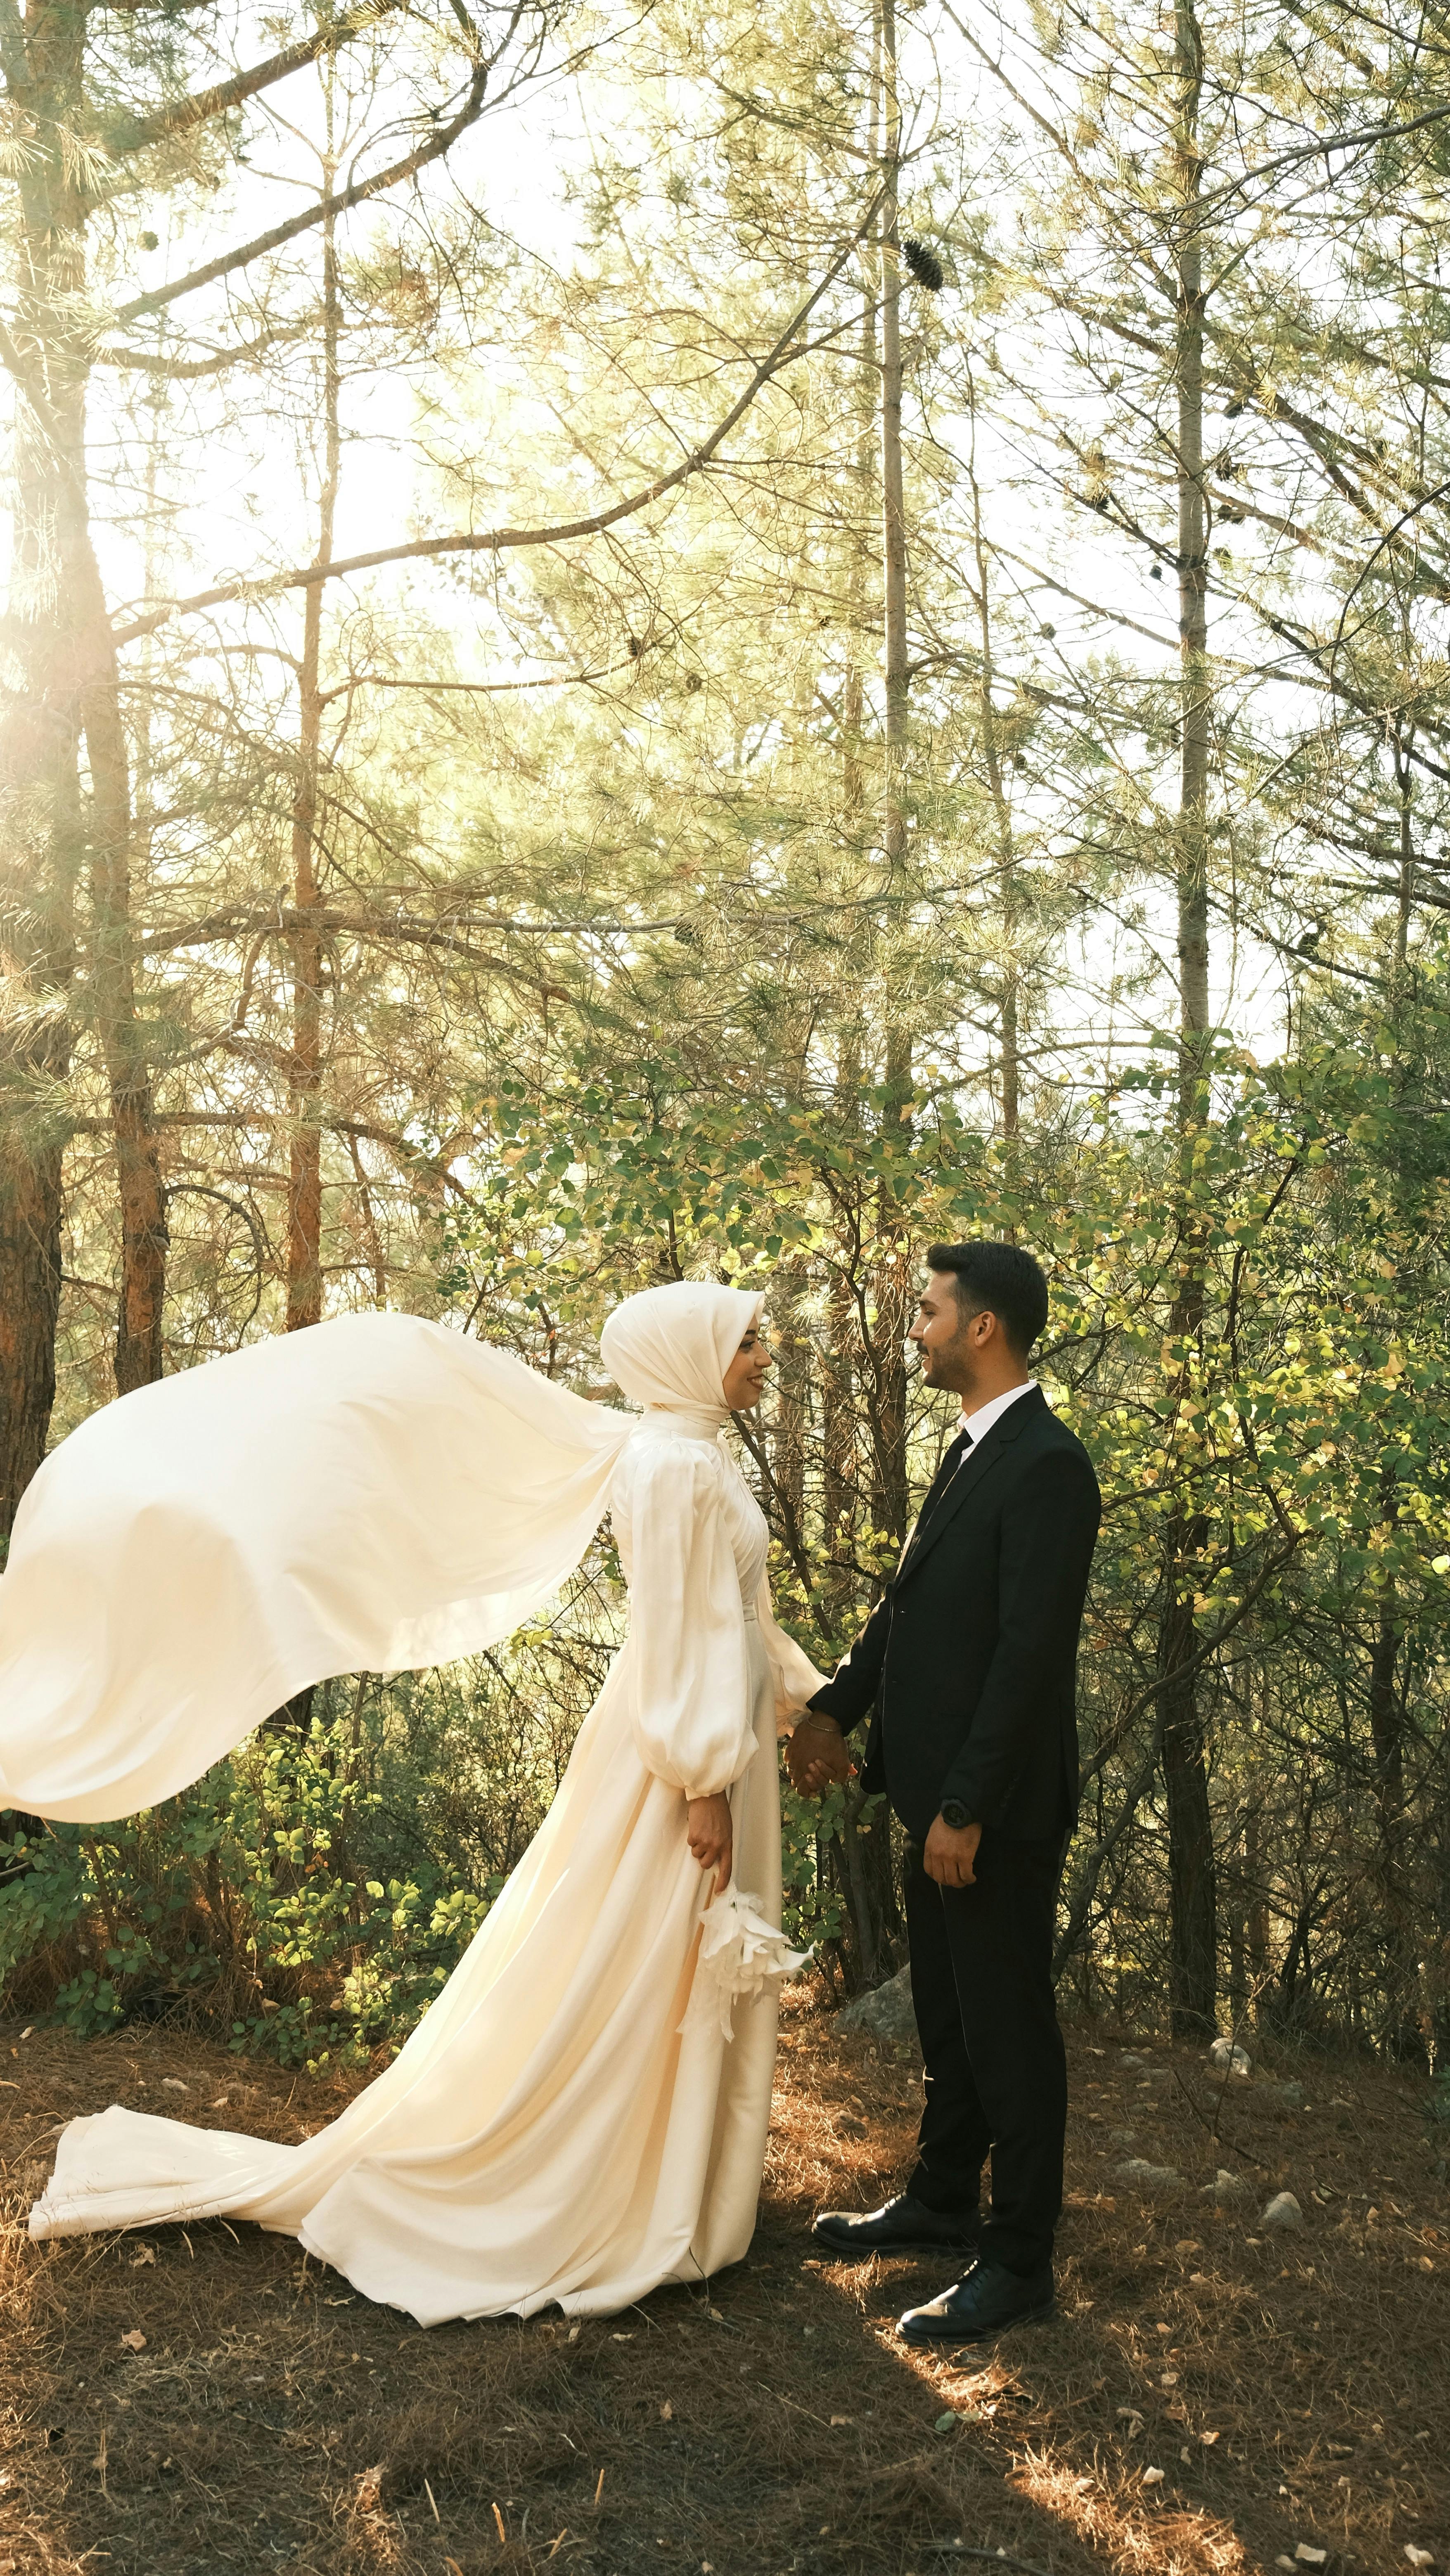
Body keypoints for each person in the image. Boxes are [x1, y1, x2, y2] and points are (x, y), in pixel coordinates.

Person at [11, 1282, 827, 2324]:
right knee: (634, 1953)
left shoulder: (698, 1455)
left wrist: (800, 1705)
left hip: (720, 1735)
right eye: (747, 1340)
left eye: (759, 1337)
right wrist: (701, 1776)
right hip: (678, 1752)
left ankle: (673, 2180)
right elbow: (677, 1633)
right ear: (687, 1353)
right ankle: (601, 2188)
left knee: (665, 1955)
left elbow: (740, 1616)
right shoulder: (668, 1466)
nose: (766, 1354)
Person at [788, 1241, 1100, 2345]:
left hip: (993, 1813)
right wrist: (833, 1708)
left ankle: (1017, 2262)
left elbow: (1028, 1657)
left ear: (982, 1327)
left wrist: (966, 1806)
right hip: (934, 1800)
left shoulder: (1050, 1465)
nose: (913, 1330)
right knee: (950, 2018)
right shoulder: (971, 1451)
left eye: (927, 1312)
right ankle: (940, 2198)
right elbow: (907, 1609)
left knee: (1008, 2026)